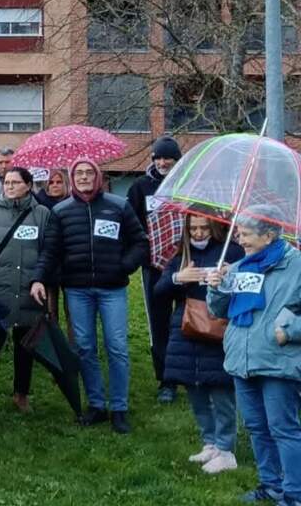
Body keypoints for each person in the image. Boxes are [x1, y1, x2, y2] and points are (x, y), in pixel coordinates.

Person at [31, 158, 146, 434]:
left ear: (98, 177)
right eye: (79, 173)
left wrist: (124, 266)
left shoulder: (118, 206)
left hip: (112, 289)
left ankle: (119, 407)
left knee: (117, 347)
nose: (84, 177)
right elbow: (50, 251)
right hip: (77, 289)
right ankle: (96, 404)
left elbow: (140, 242)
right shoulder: (61, 211)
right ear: (72, 178)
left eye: (88, 173)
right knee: (84, 347)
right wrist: (38, 278)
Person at [208, 207, 301, 505]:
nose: (240, 239)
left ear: (269, 235)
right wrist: (217, 287)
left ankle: (294, 494)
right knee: (257, 428)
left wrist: (290, 330)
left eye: (246, 234)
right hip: (242, 360)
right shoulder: (240, 267)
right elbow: (219, 311)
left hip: (278, 361)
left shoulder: (297, 265)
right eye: (239, 233)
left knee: (283, 429)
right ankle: (271, 485)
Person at [153, 214, 244, 475]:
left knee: (220, 388)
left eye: (204, 228)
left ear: (214, 228)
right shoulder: (182, 254)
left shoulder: (232, 252)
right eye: (193, 228)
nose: (199, 233)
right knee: (194, 387)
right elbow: (159, 291)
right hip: (186, 327)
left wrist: (229, 276)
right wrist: (178, 278)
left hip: (218, 327)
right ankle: (210, 442)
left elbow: (248, 285)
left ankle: (226, 447)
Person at [0, 166, 52, 413]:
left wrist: (40, 278)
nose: (9, 186)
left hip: (30, 288)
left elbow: (48, 250)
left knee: (25, 344)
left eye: (15, 182)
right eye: (6, 182)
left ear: (28, 185)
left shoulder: (42, 213)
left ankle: (21, 393)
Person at [127, 135, 184, 405]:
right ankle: (166, 380)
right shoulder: (140, 187)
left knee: (186, 319)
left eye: (167, 158)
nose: (162, 162)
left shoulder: (189, 183)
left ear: (177, 160)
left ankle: (189, 372)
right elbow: (131, 222)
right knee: (158, 323)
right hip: (153, 267)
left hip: (186, 263)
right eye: (158, 158)